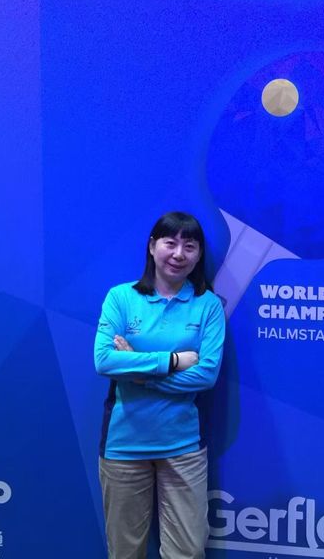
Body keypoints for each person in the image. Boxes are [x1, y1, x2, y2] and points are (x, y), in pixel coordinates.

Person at [94, 211, 225, 559]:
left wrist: (139, 374)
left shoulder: (208, 305)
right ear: (152, 247)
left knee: (188, 552)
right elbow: (104, 361)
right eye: (170, 243)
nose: (179, 254)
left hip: (183, 445)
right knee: (125, 552)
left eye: (190, 246)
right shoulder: (121, 297)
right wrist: (172, 361)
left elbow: (206, 375)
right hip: (124, 445)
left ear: (198, 255)